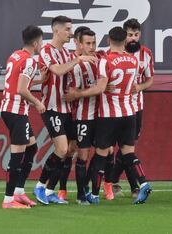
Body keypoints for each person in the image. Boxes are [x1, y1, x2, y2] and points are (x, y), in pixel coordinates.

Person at [65, 26, 151, 204]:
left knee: (101, 154)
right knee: (128, 153)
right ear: (125, 40)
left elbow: (100, 88)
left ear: (108, 40)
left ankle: (94, 194)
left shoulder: (106, 60)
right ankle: (143, 183)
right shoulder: (134, 61)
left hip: (109, 115)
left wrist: (77, 94)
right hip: (130, 113)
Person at [33, 15, 97, 205]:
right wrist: (79, 59)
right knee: (61, 148)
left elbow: (72, 76)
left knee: (71, 149)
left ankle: (51, 190)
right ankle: (40, 186)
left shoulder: (68, 54)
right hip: (51, 107)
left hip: (67, 108)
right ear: (56, 31)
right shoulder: (46, 50)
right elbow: (58, 71)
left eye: (71, 29)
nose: (70, 33)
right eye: (68, 29)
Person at [0, 25, 46, 209]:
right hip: (16, 111)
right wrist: (37, 102)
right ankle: (8, 199)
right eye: (41, 41)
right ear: (35, 43)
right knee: (17, 157)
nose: (41, 44)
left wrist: (39, 80)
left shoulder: (15, 55)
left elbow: (16, 81)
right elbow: (21, 89)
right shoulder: (30, 61)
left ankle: (18, 192)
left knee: (32, 148)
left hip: (9, 109)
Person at [108, 18, 155, 198]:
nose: (133, 38)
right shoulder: (111, 54)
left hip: (135, 107)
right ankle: (132, 185)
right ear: (124, 35)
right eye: (129, 35)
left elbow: (150, 79)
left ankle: (115, 180)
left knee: (128, 147)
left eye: (136, 34)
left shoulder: (146, 54)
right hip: (113, 107)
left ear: (140, 34)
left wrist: (140, 87)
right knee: (115, 148)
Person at [56, 25, 91, 201]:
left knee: (99, 150)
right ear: (77, 42)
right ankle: (61, 189)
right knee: (69, 150)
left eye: (92, 42)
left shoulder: (96, 58)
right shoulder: (70, 59)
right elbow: (66, 88)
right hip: (72, 112)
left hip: (90, 112)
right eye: (86, 42)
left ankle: (95, 189)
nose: (90, 46)